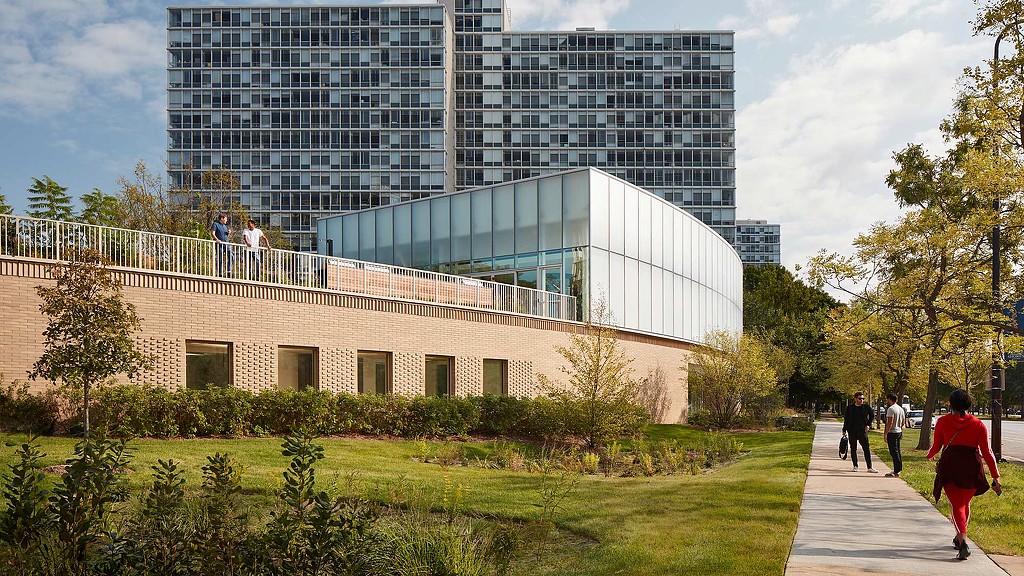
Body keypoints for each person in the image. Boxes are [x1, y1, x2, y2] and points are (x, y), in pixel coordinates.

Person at [927, 389, 1001, 560]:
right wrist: (995, 475)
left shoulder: (942, 422)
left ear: (951, 404)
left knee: (956, 505)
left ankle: (963, 541)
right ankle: (959, 537)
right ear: (969, 404)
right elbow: (987, 452)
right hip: (971, 467)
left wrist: (929, 455)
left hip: (950, 466)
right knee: (965, 503)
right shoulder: (978, 424)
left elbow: (937, 446)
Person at [842, 391, 878, 473]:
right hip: (852, 431)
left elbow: (872, 415)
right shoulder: (850, 408)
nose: (861, 400)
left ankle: (869, 467)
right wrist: (844, 430)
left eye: (863, 398)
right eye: (860, 398)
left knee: (866, 448)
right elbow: (846, 419)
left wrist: (868, 424)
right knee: (853, 448)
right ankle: (855, 465)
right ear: (855, 399)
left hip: (862, 431)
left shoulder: (866, 407)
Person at [883, 393, 906, 477]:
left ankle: (896, 470)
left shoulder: (891, 409)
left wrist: (886, 433)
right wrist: (900, 429)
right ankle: (899, 468)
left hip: (892, 432)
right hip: (899, 431)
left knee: (893, 452)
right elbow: (903, 422)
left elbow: (890, 422)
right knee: (897, 451)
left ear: (889, 399)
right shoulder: (901, 409)